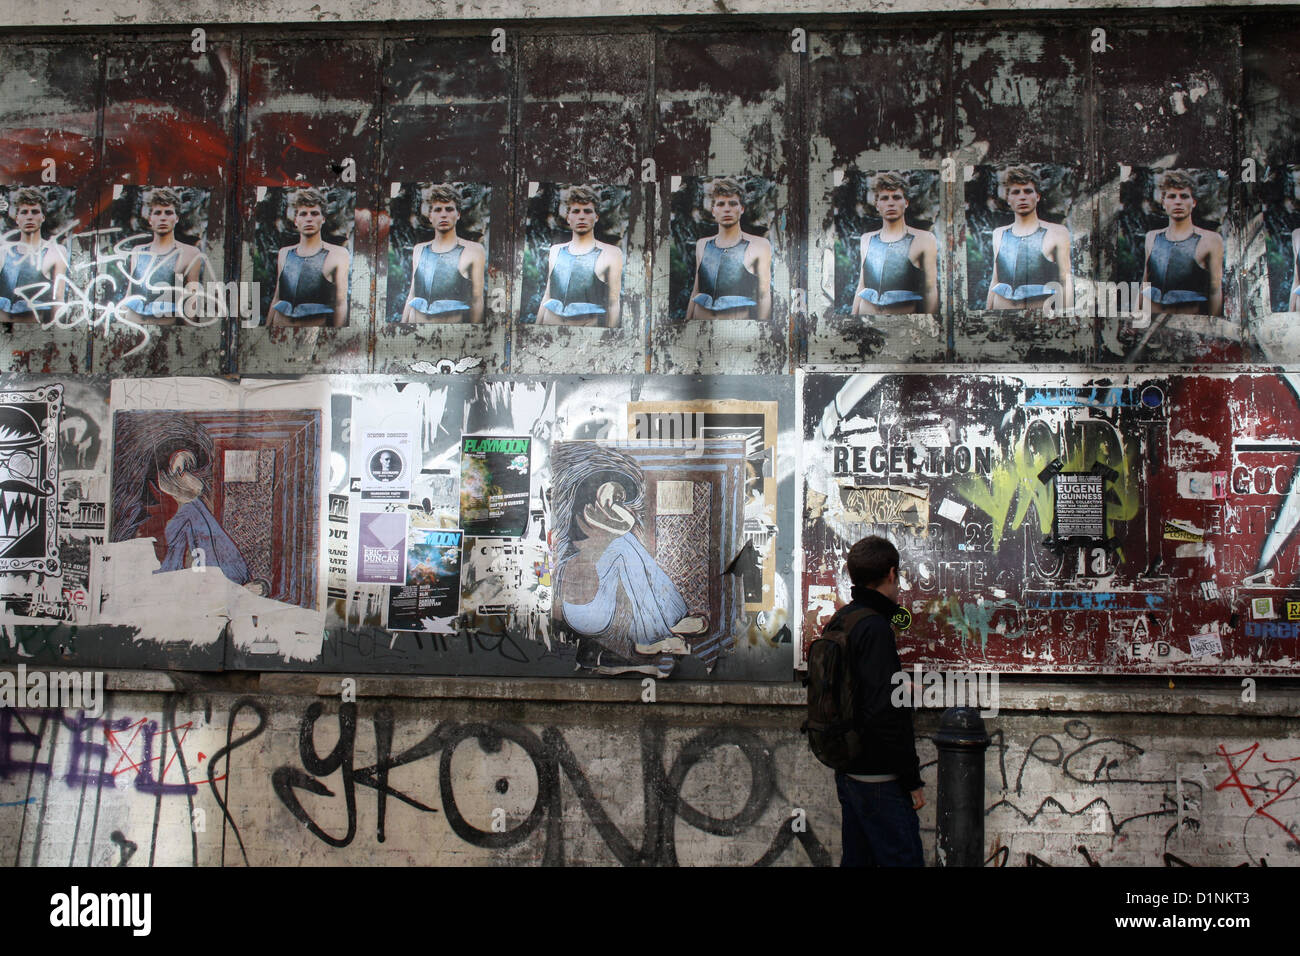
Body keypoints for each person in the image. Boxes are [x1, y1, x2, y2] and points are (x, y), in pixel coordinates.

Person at [829, 535, 924, 867]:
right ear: (892, 574)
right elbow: (885, 713)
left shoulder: (843, 620)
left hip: (848, 769)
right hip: (879, 778)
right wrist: (912, 781)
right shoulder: (875, 628)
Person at [985, 166, 1072, 310]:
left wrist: (1066, 318)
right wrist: (986, 316)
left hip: (1041, 316)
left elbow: (1066, 280)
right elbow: (995, 280)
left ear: (1037, 196)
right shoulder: (998, 234)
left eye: (1028, 191)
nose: (1022, 197)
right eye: (1015, 192)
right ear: (1008, 199)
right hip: (1002, 314)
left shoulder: (1058, 232)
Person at [851, 172, 939, 316]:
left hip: (903, 322)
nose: (890, 203)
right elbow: (862, 285)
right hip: (866, 317)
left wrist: (930, 326)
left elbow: (930, 289)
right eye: (884, 198)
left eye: (896, 197)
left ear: (906, 202)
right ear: (877, 205)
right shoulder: (866, 239)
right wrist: (851, 321)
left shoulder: (925, 239)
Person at [536, 185, 622, 328]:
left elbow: (613, 303)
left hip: (586, 329)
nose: (581, 216)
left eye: (587, 211)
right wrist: (535, 330)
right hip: (550, 324)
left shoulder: (612, 253)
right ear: (568, 217)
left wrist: (609, 340)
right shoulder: (555, 250)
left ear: (596, 217)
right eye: (576, 211)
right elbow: (547, 296)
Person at [686, 178, 772, 321]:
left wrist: (761, 333)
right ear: (713, 210)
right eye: (721, 204)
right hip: (701, 322)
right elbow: (696, 291)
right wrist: (685, 325)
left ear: (742, 209)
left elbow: (764, 295)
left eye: (733, 204)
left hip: (736, 327)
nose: (727, 209)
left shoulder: (760, 245)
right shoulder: (702, 244)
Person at [1141, 170, 1223, 317]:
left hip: (1189, 325)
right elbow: (1145, 283)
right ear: (1163, 202)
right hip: (1152, 323)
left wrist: (1212, 332)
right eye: (1172, 196)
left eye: (1184, 196)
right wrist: (1136, 321)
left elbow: (1215, 290)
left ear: (1194, 202)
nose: (1178, 201)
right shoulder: (1151, 237)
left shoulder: (1211, 239)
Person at [401, 183, 485, 324]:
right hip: (415, 331)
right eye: (438, 210)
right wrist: (401, 330)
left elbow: (477, 300)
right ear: (430, 216)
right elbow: (412, 295)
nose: (443, 215)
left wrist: (474, 338)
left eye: (449, 209)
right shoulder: (419, 249)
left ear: (458, 214)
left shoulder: (474, 251)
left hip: (451, 334)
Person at [119, 187, 204, 325]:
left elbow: (191, 305)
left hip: (166, 328)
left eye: (168, 212)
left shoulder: (190, 253)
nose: (163, 218)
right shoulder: (137, 252)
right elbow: (129, 295)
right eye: (157, 213)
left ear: (176, 218)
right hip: (134, 325)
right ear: (150, 219)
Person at [268, 187, 350, 327]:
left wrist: (336, 338)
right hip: (280, 329)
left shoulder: (339, 254)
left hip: (314, 333)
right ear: (296, 221)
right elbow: (277, 297)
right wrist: (265, 332)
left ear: (323, 218)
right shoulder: (284, 253)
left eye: (314, 213)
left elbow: (340, 303)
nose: (309, 219)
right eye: (303, 214)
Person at [0, 188, 68, 324]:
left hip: (33, 332)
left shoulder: (55, 252)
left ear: (43, 217)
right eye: (24, 212)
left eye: (35, 212)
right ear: (17, 218)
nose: (29, 217)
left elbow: (58, 299)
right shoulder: (3, 252)